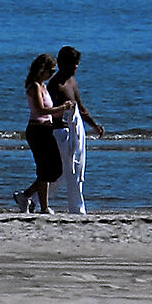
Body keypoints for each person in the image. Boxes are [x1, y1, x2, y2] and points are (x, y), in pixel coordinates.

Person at [46, 45, 104, 215]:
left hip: (74, 133)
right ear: (63, 64)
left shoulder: (72, 82)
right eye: (73, 65)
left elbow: (81, 108)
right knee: (71, 172)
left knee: (67, 174)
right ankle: (77, 209)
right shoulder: (55, 85)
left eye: (77, 65)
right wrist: (63, 110)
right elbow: (49, 113)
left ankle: (32, 197)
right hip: (60, 133)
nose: (75, 68)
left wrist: (94, 125)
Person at [15, 53, 63, 214]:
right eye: (50, 71)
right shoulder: (34, 86)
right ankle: (43, 206)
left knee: (54, 170)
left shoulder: (43, 86)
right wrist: (61, 109)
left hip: (46, 128)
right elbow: (41, 109)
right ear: (42, 70)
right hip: (38, 130)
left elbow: (48, 112)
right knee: (46, 169)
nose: (52, 75)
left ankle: (26, 195)